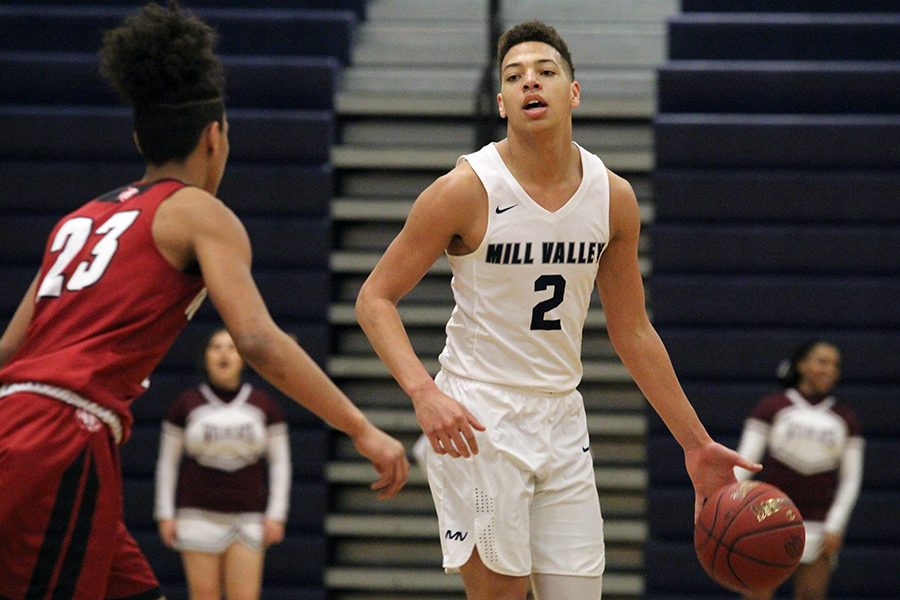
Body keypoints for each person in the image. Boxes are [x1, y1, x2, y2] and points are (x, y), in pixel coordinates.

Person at [0, 3, 408, 599]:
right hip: (65, 433)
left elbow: (11, 347)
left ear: (140, 136)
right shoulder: (198, 212)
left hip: (20, 420)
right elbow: (259, 340)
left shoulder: (78, 219)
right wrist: (361, 427)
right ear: (215, 137)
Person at [355, 19, 759, 600]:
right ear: (501, 103)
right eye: (515, 76)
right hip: (481, 417)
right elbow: (374, 298)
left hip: (562, 417)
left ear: (573, 91)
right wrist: (424, 392)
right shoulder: (464, 190)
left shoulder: (612, 196)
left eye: (546, 71)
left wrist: (695, 443)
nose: (530, 83)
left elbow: (634, 332)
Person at [155, 328, 291, 600]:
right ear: (205, 356)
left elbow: (280, 464)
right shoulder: (186, 404)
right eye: (215, 347)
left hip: (247, 518)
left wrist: (276, 514)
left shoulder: (263, 404)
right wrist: (165, 513)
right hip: (196, 516)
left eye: (231, 347)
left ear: (243, 357)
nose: (223, 354)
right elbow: (167, 463)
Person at [735, 341, 864, 600]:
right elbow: (744, 464)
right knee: (756, 595)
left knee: (812, 595)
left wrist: (836, 526)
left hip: (819, 522)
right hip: (769, 520)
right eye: (821, 361)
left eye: (835, 364)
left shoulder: (845, 419)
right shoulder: (772, 407)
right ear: (801, 365)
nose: (829, 369)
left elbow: (851, 479)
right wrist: (731, 510)